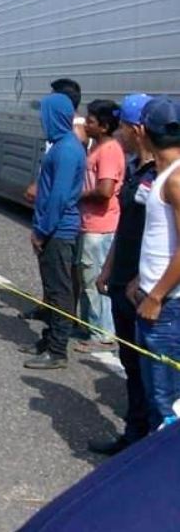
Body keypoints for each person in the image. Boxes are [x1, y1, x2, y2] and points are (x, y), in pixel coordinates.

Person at [88, 93, 154, 455]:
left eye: (124, 127)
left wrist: (144, 280)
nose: (120, 133)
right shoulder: (136, 169)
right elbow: (126, 225)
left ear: (138, 129)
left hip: (143, 288)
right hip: (122, 280)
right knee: (131, 365)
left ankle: (149, 444)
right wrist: (108, 268)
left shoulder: (163, 176)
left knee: (152, 374)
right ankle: (134, 435)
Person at [19, 91, 86, 369]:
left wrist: (42, 231)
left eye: (44, 115)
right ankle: (48, 340)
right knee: (51, 289)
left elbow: (59, 197)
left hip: (59, 231)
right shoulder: (60, 145)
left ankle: (58, 350)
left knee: (60, 292)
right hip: (52, 228)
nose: (42, 120)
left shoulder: (67, 149)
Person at [128, 97, 180, 429]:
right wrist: (140, 279)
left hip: (168, 307)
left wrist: (157, 295)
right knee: (153, 397)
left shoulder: (175, 179)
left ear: (142, 131)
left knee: (166, 403)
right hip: (152, 297)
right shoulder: (163, 175)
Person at [75, 99, 125, 352]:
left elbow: (105, 190)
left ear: (104, 126)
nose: (86, 124)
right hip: (90, 223)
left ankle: (102, 333)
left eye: (91, 121)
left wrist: (78, 194)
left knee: (94, 279)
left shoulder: (109, 151)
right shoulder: (97, 146)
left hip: (100, 225)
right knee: (85, 276)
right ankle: (88, 325)